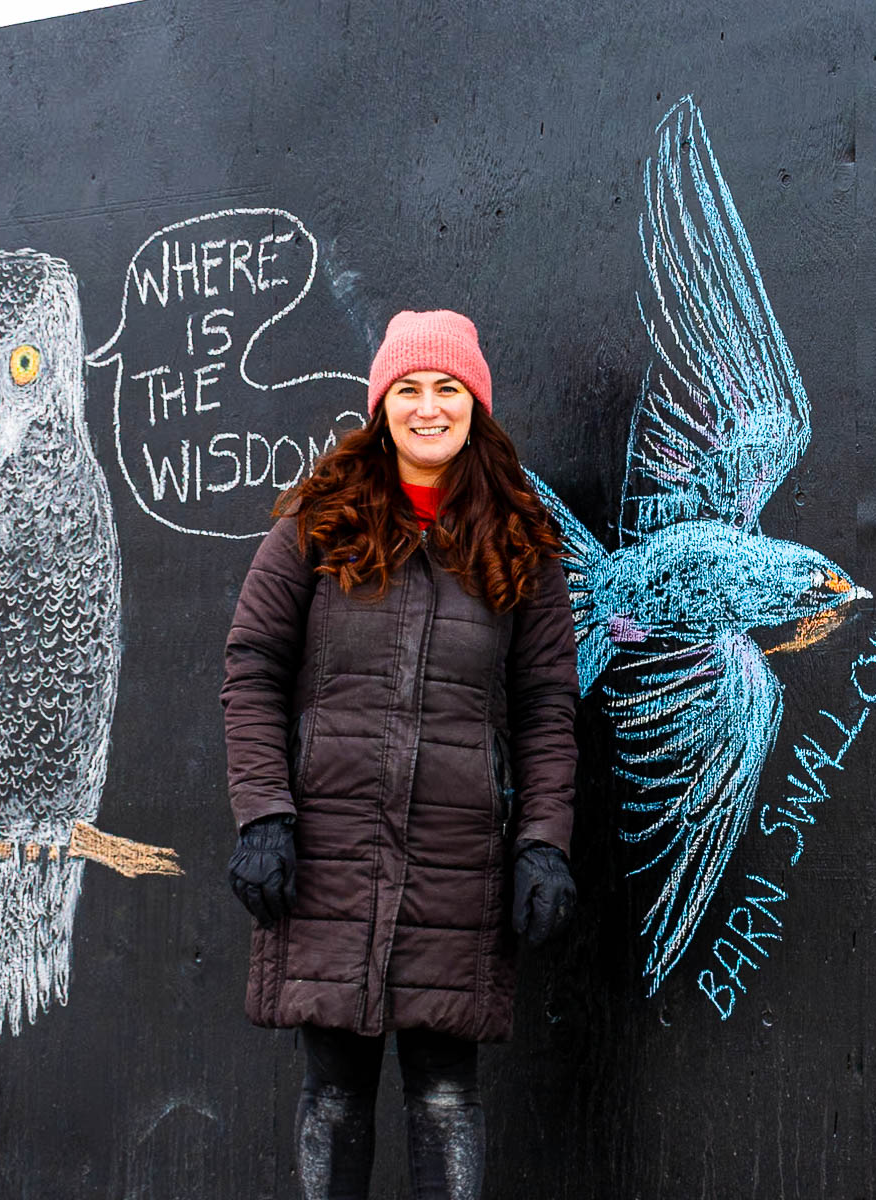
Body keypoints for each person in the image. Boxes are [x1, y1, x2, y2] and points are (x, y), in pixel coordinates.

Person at [220, 310, 580, 1199]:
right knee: (334, 1099)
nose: (428, 408)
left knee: (448, 1097)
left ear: (475, 407)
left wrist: (544, 844)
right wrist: (264, 816)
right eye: (408, 390)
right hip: (330, 862)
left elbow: (546, 710)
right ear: (381, 407)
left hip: (458, 869)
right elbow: (251, 667)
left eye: (447, 389)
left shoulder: (522, 545)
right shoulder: (316, 526)